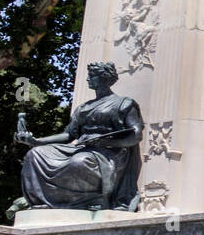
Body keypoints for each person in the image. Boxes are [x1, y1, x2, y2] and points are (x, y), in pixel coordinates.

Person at [14, 61, 144, 212]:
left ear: (104, 78)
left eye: (92, 76)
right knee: (34, 155)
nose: (88, 79)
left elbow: (136, 135)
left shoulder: (124, 103)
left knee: (80, 162)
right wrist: (36, 142)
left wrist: (108, 142)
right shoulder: (83, 108)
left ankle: (93, 200)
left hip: (108, 152)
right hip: (83, 148)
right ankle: (44, 202)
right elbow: (69, 135)